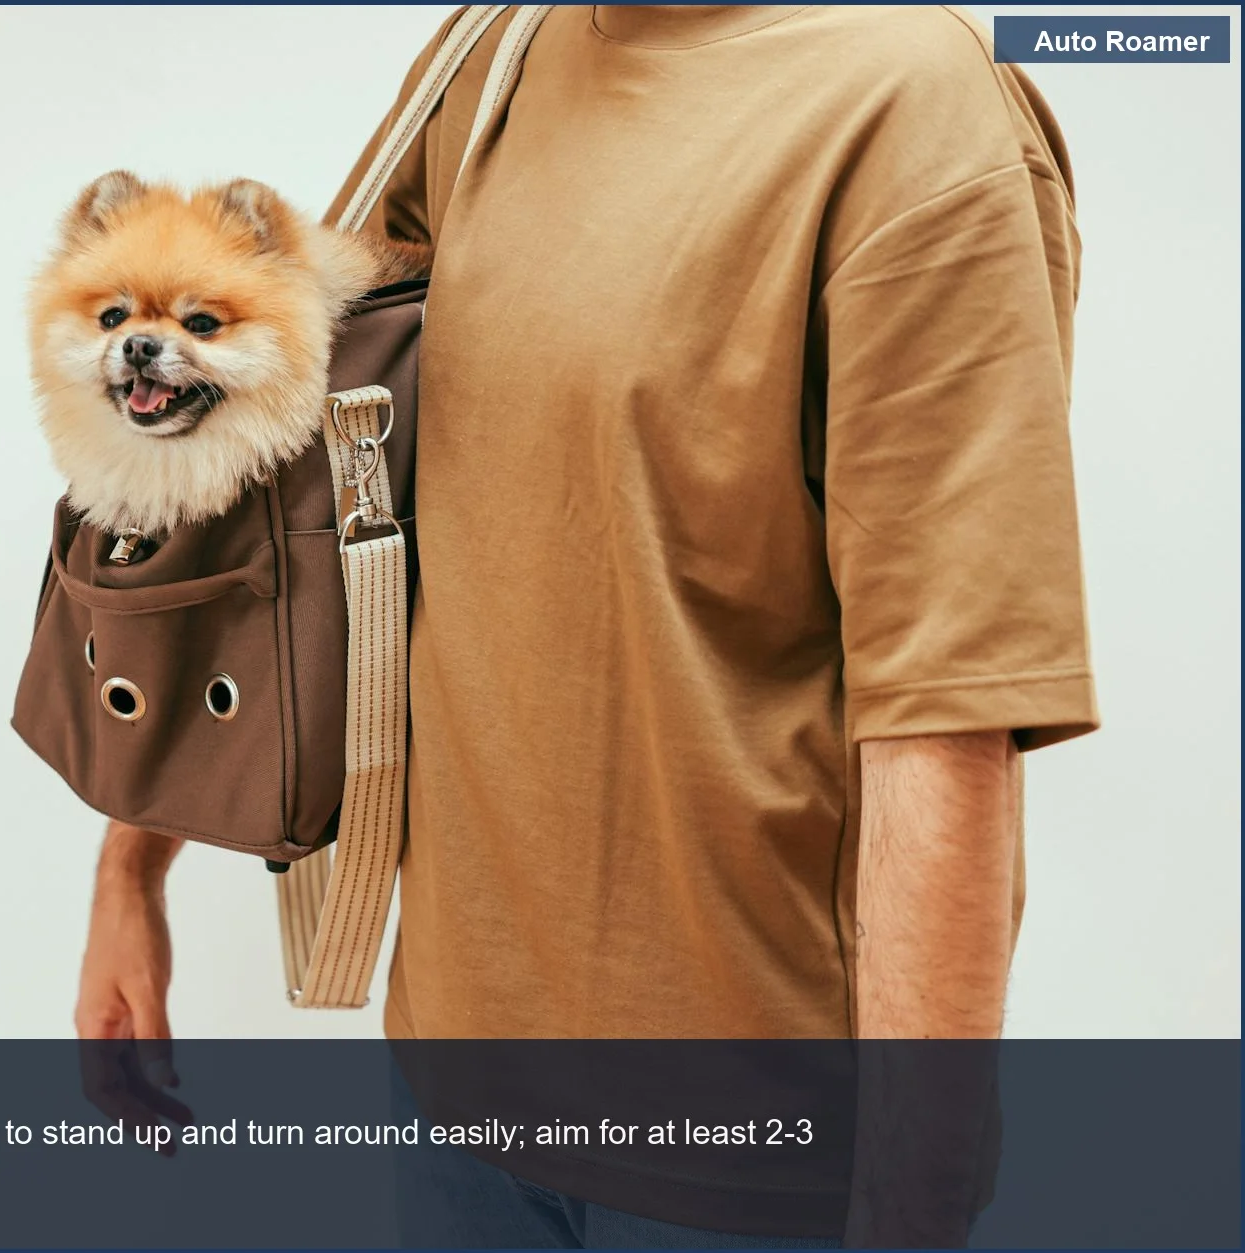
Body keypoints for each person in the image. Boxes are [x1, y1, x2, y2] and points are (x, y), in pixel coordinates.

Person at [74, 5, 1097, 1246]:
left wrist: (915, 1202)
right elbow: (264, 448)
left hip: (741, 1152)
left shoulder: (910, 105)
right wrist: (133, 861)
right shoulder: (497, 45)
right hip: (450, 1087)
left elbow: (948, 697)